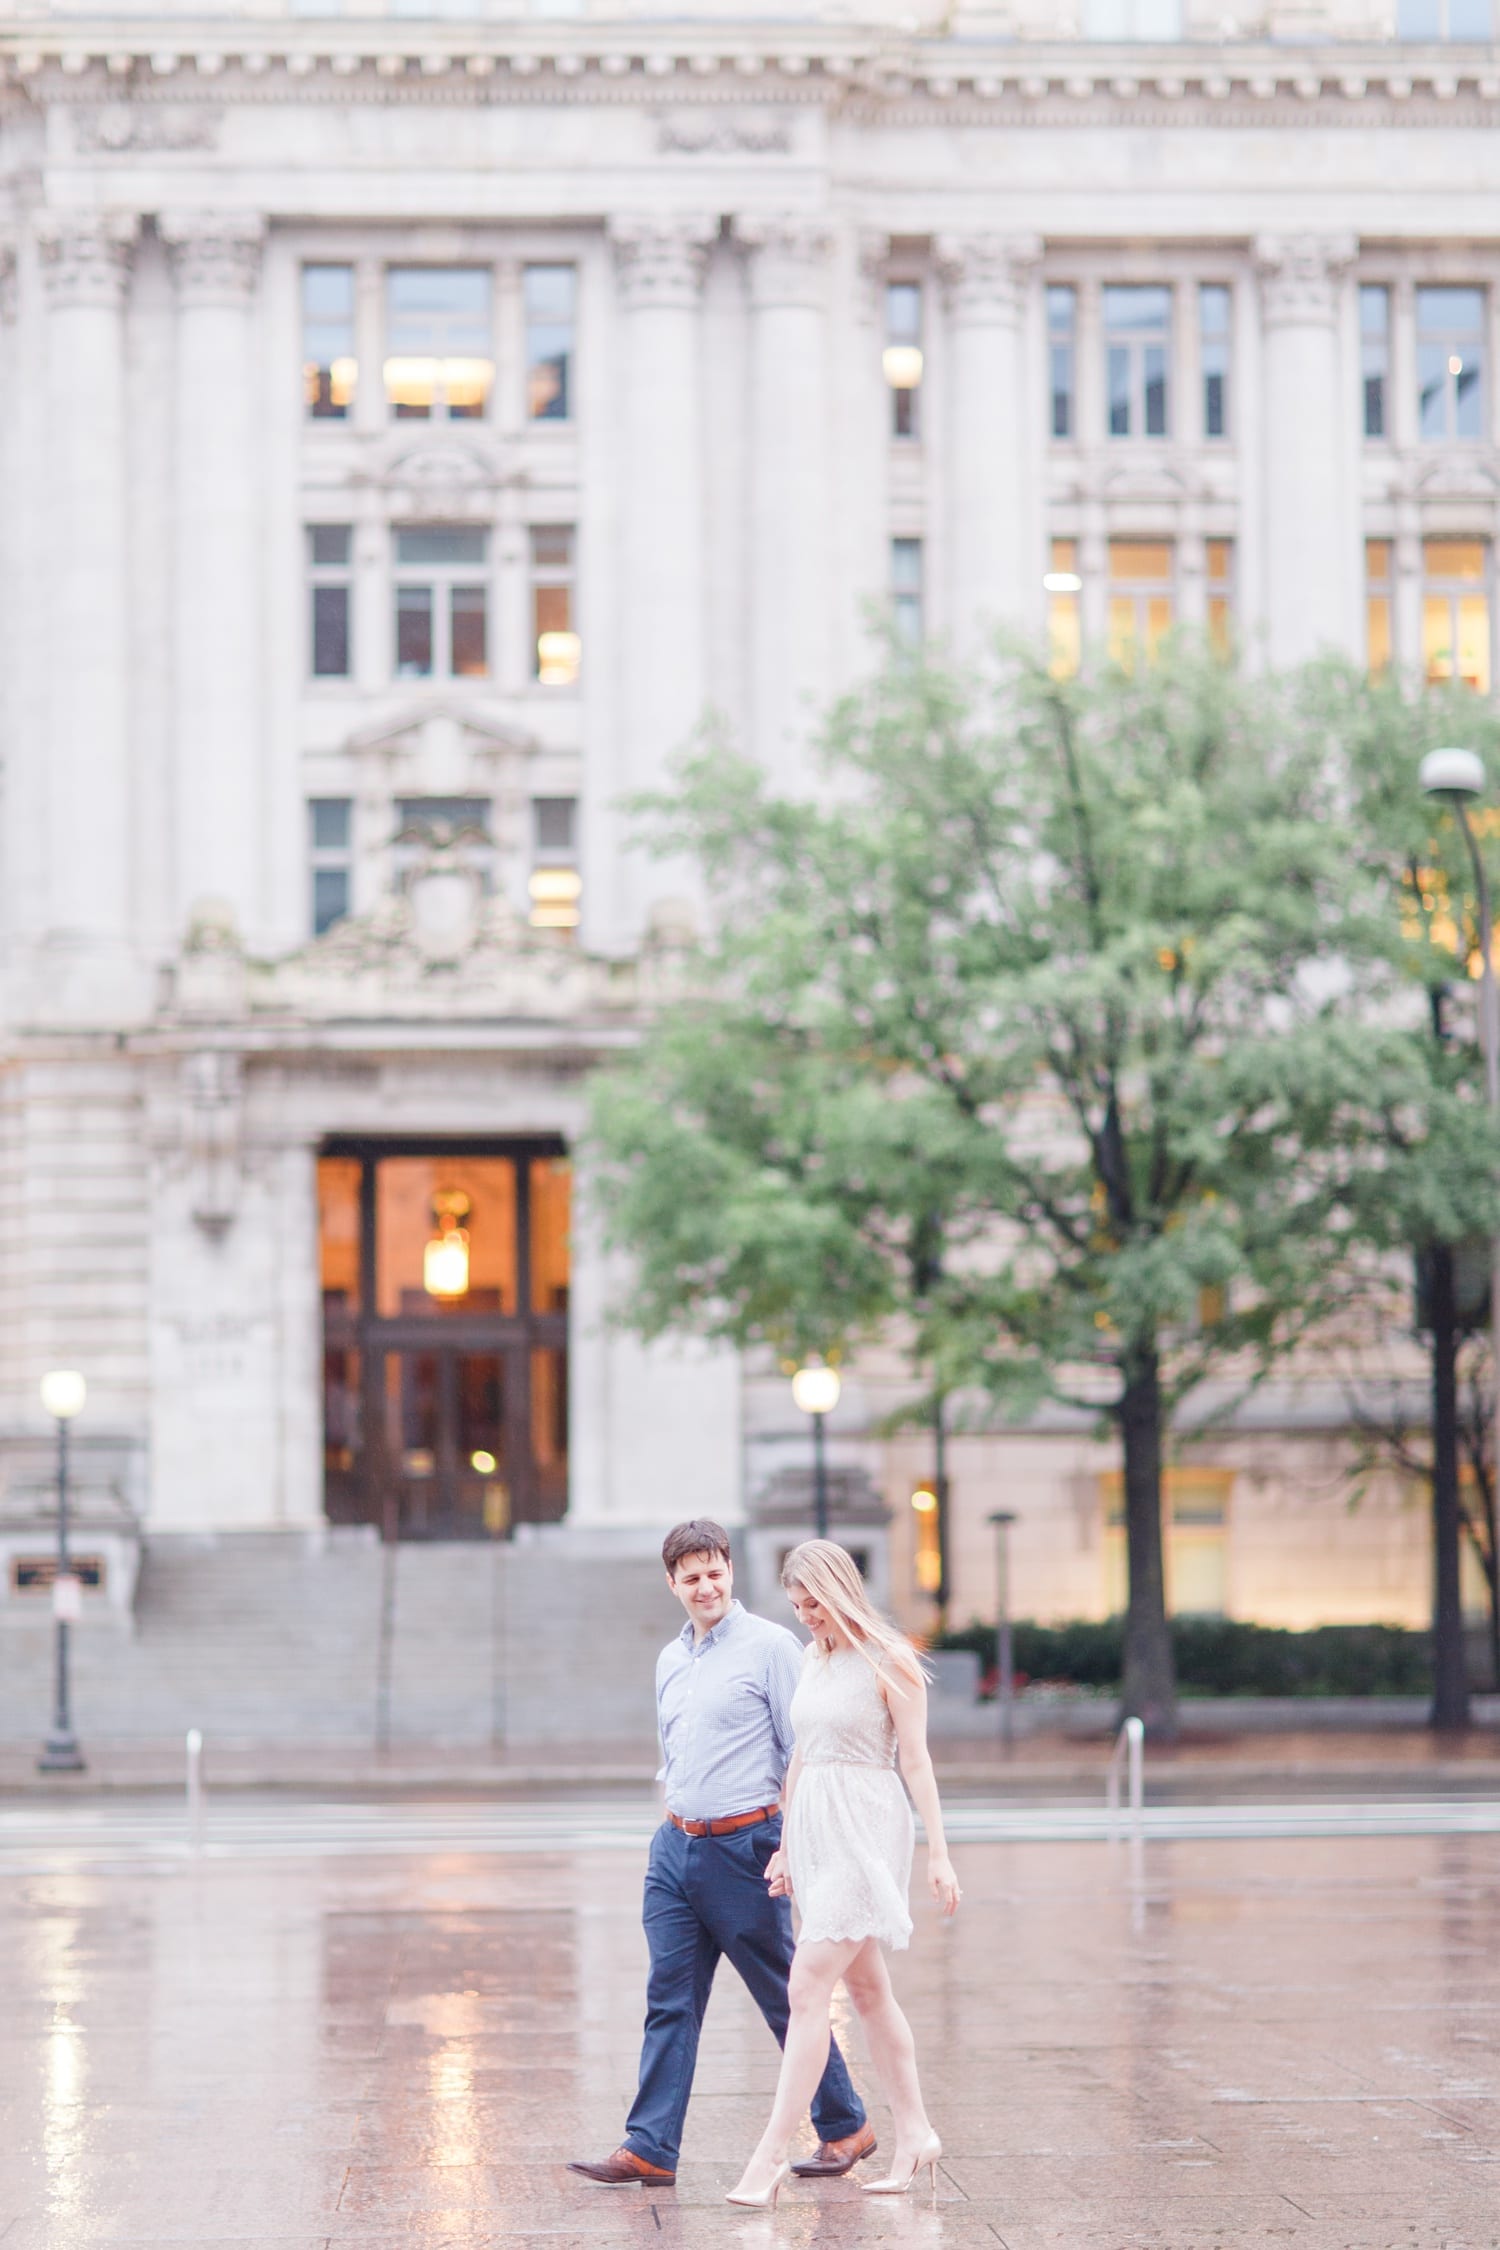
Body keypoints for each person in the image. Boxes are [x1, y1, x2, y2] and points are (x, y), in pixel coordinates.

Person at [568, 1519, 873, 2189]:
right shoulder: (670, 1659)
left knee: (783, 1994)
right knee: (668, 1999)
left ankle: (845, 2124)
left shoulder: (772, 1648)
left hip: (748, 1847)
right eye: (691, 1576)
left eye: (715, 1572)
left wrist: (792, 1846)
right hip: (676, 1851)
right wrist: (667, 1830)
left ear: (730, 1572)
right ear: (671, 1583)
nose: (705, 1586)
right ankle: (649, 2146)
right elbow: (673, 1753)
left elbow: (806, 1752)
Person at [725, 1538, 961, 2211]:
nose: (807, 1617)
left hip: (868, 1828)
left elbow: (916, 1762)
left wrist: (939, 1852)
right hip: (818, 1830)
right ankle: (916, 2133)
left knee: (807, 1985)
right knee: (867, 1991)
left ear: (840, 1593)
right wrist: (788, 1846)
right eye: (798, 1607)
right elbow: (802, 1756)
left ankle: (769, 2154)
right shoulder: (812, 1657)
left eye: (814, 1605)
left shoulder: (891, 1660)